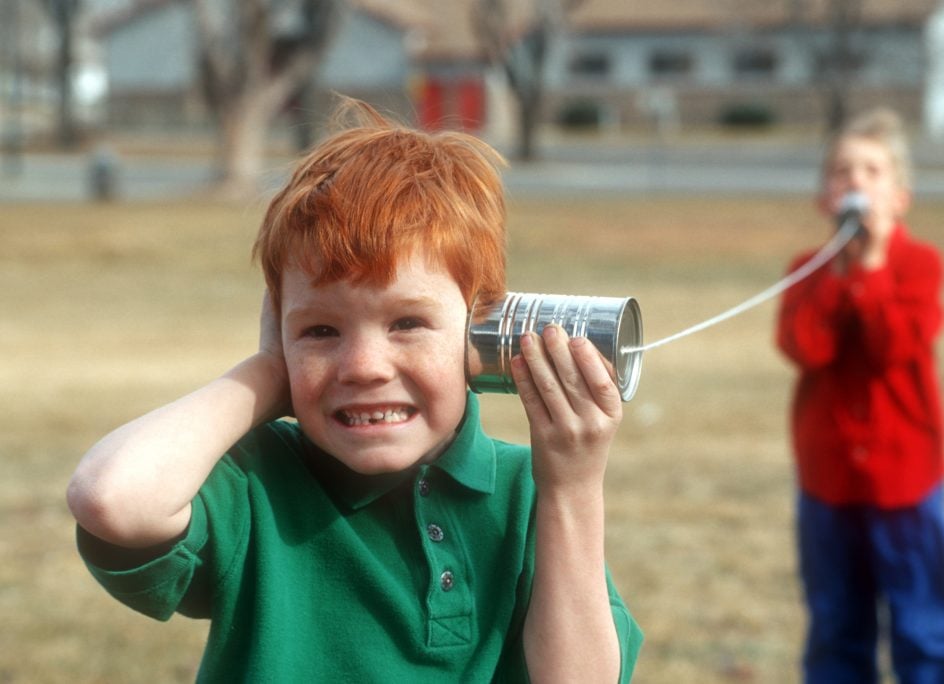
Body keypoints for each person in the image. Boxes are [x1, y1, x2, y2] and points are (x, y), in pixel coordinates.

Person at [67, 100, 643, 682]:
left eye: (407, 324)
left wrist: (571, 487)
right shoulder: (253, 482)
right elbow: (110, 499)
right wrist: (269, 373)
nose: (363, 366)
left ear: (478, 329)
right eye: (320, 330)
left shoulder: (529, 494)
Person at [775, 107, 944, 683]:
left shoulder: (920, 266)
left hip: (904, 480)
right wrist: (839, 273)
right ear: (823, 196)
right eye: (841, 171)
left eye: (871, 170)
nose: (855, 181)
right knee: (836, 623)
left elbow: (895, 346)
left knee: (924, 624)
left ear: (900, 196)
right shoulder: (806, 271)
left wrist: (874, 266)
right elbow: (805, 348)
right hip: (828, 482)